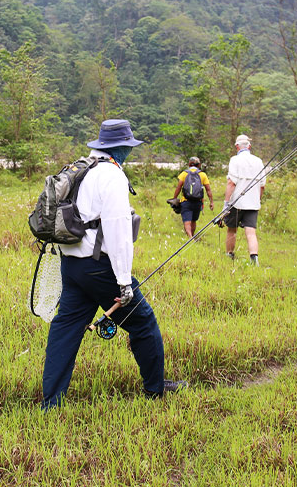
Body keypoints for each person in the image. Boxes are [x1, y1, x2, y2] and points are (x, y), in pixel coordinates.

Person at [42, 119, 186, 410]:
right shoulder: (113, 176)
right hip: (100, 267)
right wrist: (123, 281)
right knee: (143, 323)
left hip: (71, 264)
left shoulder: (83, 169)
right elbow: (118, 233)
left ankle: (51, 402)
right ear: (121, 148)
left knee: (65, 329)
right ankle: (156, 389)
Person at [222, 134, 265, 265]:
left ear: (237, 146)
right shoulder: (258, 161)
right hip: (253, 203)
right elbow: (262, 186)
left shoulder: (234, 160)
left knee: (231, 229)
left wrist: (226, 204)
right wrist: (257, 201)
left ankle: (229, 255)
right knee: (251, 232)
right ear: (249, 146)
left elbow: (231, 183)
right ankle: (254, 260)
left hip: (236, 203)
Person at [171, 157, 213, 239]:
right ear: (199, 165)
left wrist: (174, 198)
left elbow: (178, 187)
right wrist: (211, 202)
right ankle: (192, 236)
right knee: (194, 220)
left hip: (186, 201)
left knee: (187, 220)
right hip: (198, 202)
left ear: (189, 164)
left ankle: (190, 237)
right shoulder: (202, 174)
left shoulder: (184, 173)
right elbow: (208, 190)